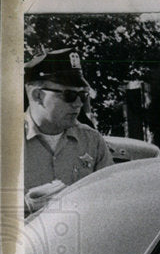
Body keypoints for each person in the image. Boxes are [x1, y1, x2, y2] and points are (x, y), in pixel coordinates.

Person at [23, 48, 113, 214]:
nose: (78, 103)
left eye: (83, 95)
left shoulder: (92, 141)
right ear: (37, 96)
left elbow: (111, 201)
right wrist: (24, 207)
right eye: (69, 95)